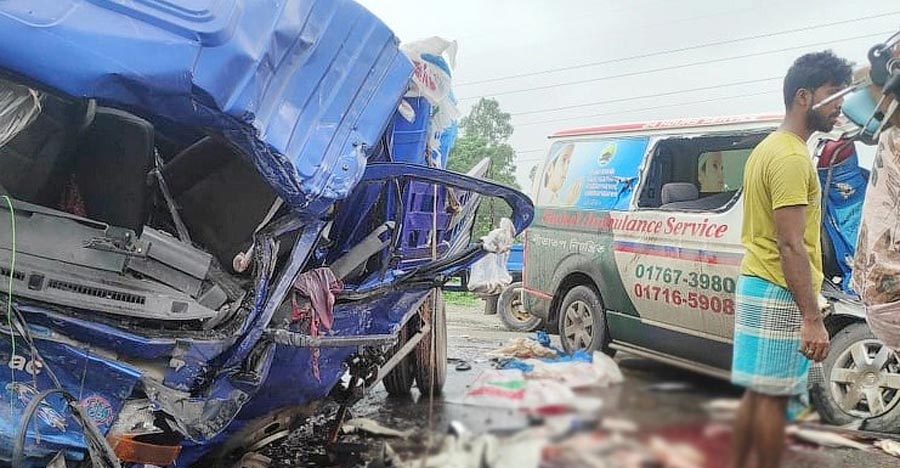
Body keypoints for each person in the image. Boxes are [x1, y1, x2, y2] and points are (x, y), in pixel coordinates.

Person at [730, 51, 852, 468]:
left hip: (759, 283)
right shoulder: (790, 157)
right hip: (779, 292)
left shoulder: (771, 147)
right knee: (772, 402)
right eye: (833, 93)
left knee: (758, 394)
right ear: (804, 97)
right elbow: (791, 244)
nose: (841, 105)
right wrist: (812, 317)